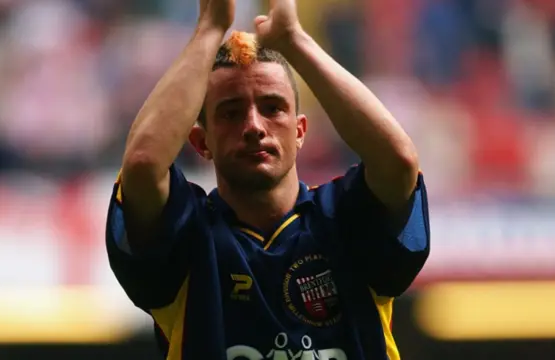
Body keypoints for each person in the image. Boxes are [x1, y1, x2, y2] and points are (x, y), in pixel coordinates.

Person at [105, 0, 430, 358]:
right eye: (230, 113)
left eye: (273, 108)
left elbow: (399, 163)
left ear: (300, 131)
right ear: (201, 142)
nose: (254, 127)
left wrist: (294, 41)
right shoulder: (187, 234)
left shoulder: (344, 219)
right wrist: (210, 29)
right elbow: (142, 164)